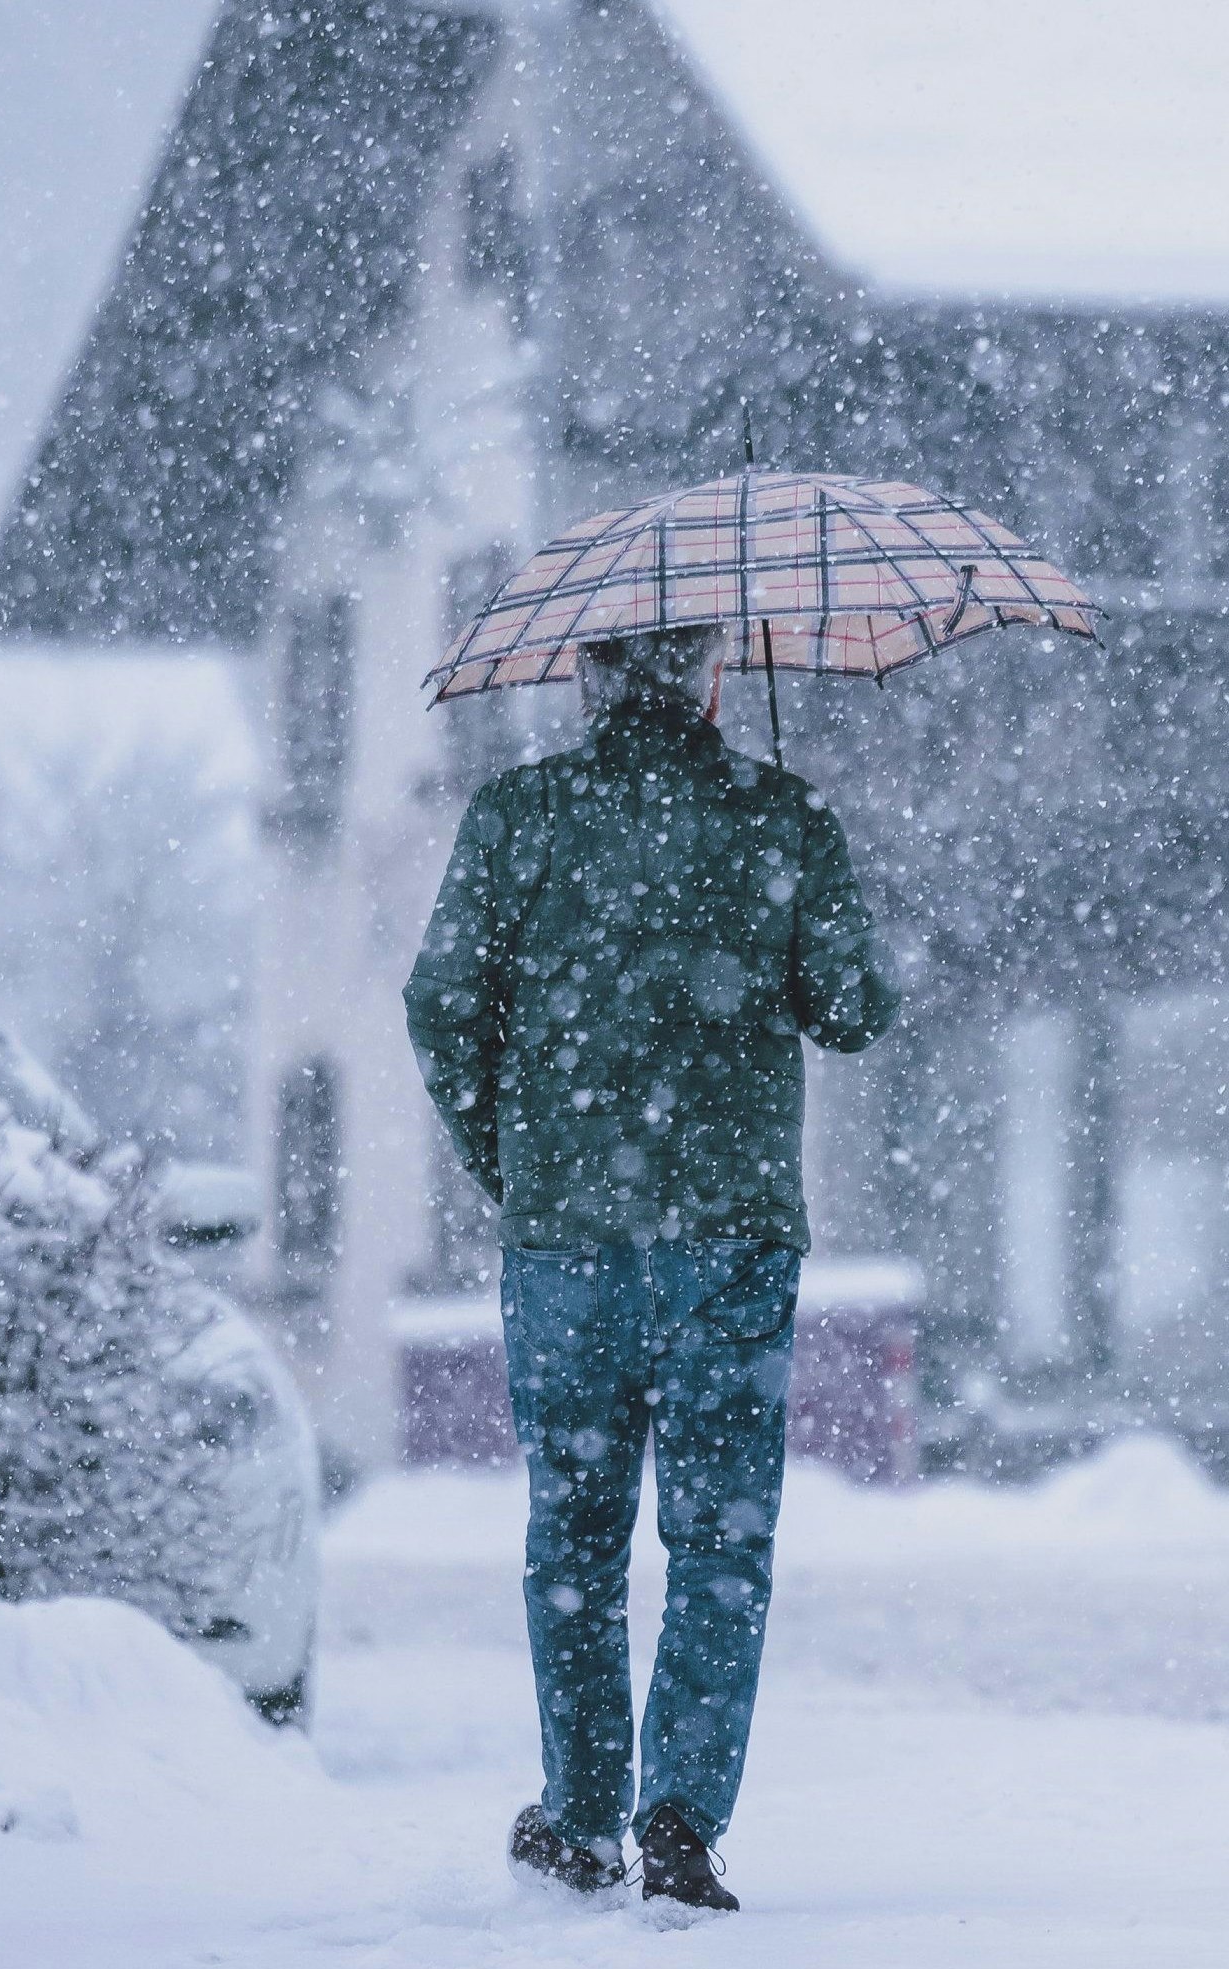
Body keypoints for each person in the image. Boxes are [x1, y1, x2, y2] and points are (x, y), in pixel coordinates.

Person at [404, 622, 899, 1913]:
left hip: (566, 1243)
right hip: (732, 1238)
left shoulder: (517, 818)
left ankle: (580, 1818)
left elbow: (439, 1003)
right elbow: (854, 1010)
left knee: (574, 1532)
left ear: (588, 677)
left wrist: (518, 1164)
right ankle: (679, 1814)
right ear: (713, 675)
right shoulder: (781, 815)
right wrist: (798, 871)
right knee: (719, 1537)